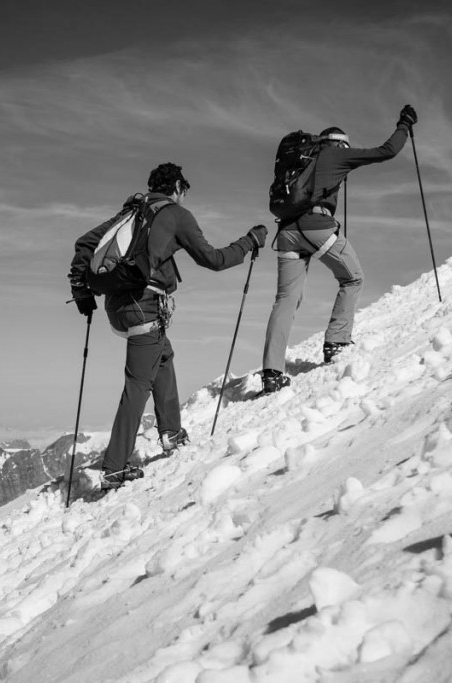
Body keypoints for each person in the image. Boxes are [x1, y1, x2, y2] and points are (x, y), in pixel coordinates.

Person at [69, 162, 267, 489]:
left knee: (162, 355)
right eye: (184, 191)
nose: (184, 197)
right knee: (138, 382)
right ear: (177, 187)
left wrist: (81, 290)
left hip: (117, 306)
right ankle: (115, 467)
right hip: (143, 307)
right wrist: (249, 242)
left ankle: (171, 432)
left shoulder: (132, 212)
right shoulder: (175, 214)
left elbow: (84, 243)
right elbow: (214, 260)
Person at [260, 105, 417, 394]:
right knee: (352, 277)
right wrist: (404, 124)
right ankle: (336, 342)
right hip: (316, 226)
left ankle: (271, 373)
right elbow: (387, 151)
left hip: (286, 233)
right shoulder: (336, 155)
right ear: (340, 144)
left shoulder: (302, 161)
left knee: (285, 299)